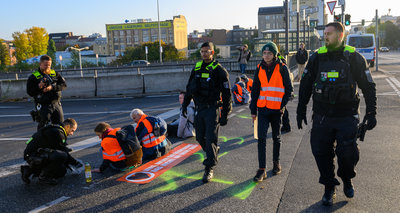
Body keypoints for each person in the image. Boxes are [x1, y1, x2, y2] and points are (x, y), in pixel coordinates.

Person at [296, 22, 377, 206]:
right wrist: (301, 108)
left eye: (329, 33)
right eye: (324, 33)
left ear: (340, 36)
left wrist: (371, 112)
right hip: (322, 116)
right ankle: (329, 186)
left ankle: (347, 178)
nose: (325, 36)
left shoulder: (354, 58)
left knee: (347, 153)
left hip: (347, 115)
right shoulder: (317, 58)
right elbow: (306, 84)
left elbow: (368, 87)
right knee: (320, 152)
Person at [182, 42, 232, 183]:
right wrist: (185, 105)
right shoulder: (197, 68)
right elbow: (189, 88)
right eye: (202, 51)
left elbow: (227, 94)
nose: (204, 54)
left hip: (212, 108)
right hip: (200, 108)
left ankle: (209, 167)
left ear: (212, 53)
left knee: (210, 138)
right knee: (199, 138)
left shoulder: (219, 70)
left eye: (207, 51)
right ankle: (213, 152)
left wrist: (225, 114)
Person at [250, 41, 293, 182]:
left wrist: (282, 106)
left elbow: (289, 90)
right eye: (264, 53)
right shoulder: (259, 68)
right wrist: (253, 110)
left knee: (276, 138)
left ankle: (276, 163)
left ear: (274, 55)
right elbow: (255, 89)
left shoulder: (282, 68)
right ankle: (261, 169)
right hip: (262, 108)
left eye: (269, 53)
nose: (266, 56)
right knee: (261, 139)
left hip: (276, 110)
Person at [21, 118, 82, 185]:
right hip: (32, 156)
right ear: (67, 126)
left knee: (62, 171)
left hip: (36, 154)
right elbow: (62, 151)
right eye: (72, 130)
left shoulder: (57, 128)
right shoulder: (57, 132)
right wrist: (75, 163)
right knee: (62, 155)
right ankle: (44, 177)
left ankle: (29, 170)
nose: (72, 133)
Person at [27, 55, 67, 130]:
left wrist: (52, 87)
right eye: (45, 65)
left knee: (60, 126)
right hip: (43, 105)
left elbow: (63, 85)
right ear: (40, 64)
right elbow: (30, 92)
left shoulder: (55, 74)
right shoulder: (34, 77)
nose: (48, 67)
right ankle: (41, 141)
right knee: (43, 127)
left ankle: (57, 141)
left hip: (56, 103)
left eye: (49, 65)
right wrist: (39, 87)